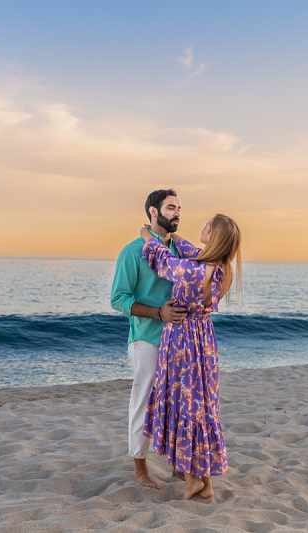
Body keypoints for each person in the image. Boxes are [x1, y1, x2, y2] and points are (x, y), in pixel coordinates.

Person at [139, 214, 242, 500]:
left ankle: (191, 479)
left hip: (184, 341)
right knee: (202, 406)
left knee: (186, 403)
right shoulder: (220, 268)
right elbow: (187, 250)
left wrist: (147, 235)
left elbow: (163, 261)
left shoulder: (194, 271)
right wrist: (174, 239)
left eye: (208, 225)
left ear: (214, 235)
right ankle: (205, 484)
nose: (203, 226)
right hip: (205, 342)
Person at [110, 189, 202, 489]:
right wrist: (158, 313)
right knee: (144, 400)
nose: (177, 213)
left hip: (180, 340)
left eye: (179, 208)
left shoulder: (181, 251)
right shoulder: (132, 252)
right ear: (153, 211)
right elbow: (118, 299)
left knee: (177, 403)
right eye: (171, 207)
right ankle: (140, 469)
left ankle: (178, 466)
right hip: (146, 338)